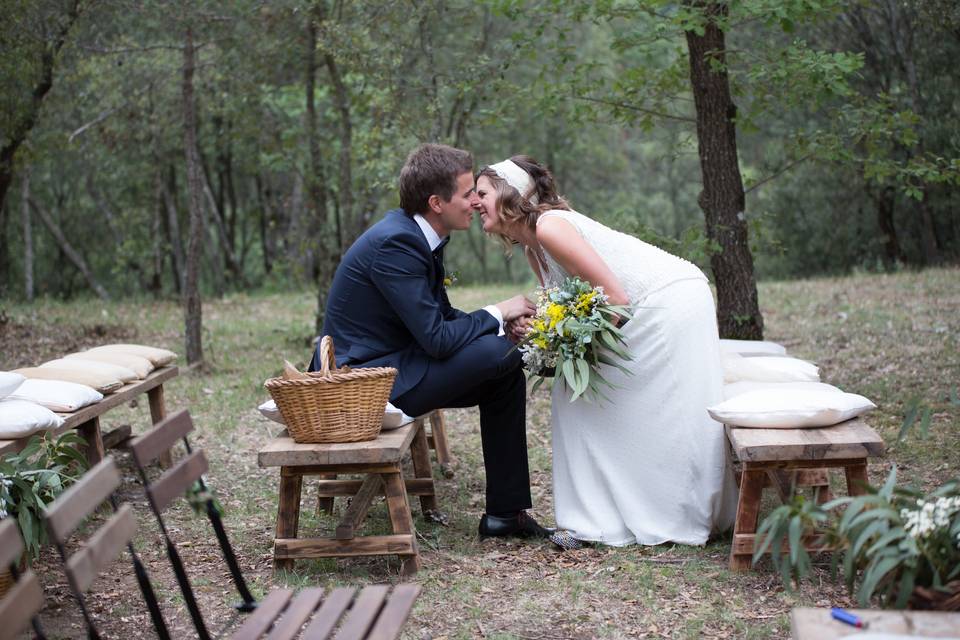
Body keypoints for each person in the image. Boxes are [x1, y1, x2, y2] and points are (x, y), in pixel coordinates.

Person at [475, 155, 738, 547]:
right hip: (632, 309)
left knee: (635, 406)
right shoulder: (534, 248)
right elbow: (566, 304)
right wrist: (536, 329)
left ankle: (668, 512)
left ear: (509, 195)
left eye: (481, 193)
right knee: (574, 397)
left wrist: (565, 345)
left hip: (667, 302)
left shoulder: (550, 227)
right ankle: (596, 518)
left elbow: (615, 298)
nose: (475, 202)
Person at [312, 143, 551, 540]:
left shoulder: (417, 236)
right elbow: (438, 339)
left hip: (398, 363)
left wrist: (498, 323)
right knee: (502, 353)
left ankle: (506, 515)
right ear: (437, 202)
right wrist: (496, 312)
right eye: (467, 193)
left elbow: (441, 319)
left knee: (504, 371)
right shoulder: (397, 244)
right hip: (364, 385)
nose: (476, 201)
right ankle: (505, 514)